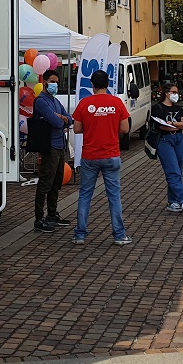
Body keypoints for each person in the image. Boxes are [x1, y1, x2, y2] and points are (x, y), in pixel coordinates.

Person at [71, 69, 132, 245]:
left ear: (92, 84)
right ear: (108, 84)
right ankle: (119, 235)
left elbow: (76, 129)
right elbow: (125, 129)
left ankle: (80, 235)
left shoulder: (84, 103)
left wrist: (92, 126)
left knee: (85, 195)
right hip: (111, 154)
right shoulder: (117, 102)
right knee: (114, 196)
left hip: (90, 155)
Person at [32, 69, 73, 232]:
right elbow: (56, 122)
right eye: (52, 81)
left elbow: (68, 119)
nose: (55, 84)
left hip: (59, 145)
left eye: (57, 82)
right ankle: (39, 218)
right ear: (44, 82)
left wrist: (62, 118)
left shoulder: (55, 101)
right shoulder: (41, 101)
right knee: (46, 182)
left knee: (56, 182)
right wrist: (61, 119)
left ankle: (52, 214)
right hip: (48, 145)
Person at [152, 82, 183, 213]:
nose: (176, 95)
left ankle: (172, 201)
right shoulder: (158, 108)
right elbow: (162, 126)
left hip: (179, 140)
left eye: (177, 93)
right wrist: (178, 125)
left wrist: (174, 124)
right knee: (173, 171)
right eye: (173, 92)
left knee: (177, 171)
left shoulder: (178, 108)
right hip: (165, 140)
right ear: (166, 93)